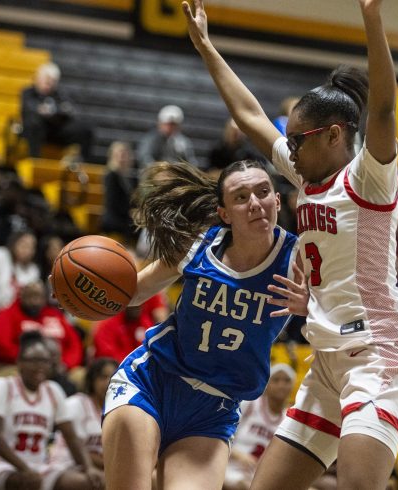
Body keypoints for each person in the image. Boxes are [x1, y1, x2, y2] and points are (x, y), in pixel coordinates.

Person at [183, 0, 398, 488]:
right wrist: (207, 47)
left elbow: (382, 106)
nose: (286, 149)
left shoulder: (369, 179)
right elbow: (249, 114)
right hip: (328, 361)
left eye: (297, 140)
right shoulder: (306, 175)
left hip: (376, 354)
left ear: (335, 135)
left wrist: (372, 20)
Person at [101, 160, 306, 490]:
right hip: (152, 381)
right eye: (240, 197)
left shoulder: (299, 258)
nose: (255, 203)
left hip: (214, 408)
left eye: (263, 192)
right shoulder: (199, 246)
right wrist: (82, 292)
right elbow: (134, 293)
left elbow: (344, 314)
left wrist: (310, 307)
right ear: (224, 213)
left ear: (277, 201)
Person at [0, 331, 103, 490]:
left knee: (88, 482)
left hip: (38, 466)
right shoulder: (2, 386)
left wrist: (89, 468)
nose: (40, 366)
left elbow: (71, 437)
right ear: (19, 362)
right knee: (29, 482)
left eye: (45, 361)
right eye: (34, 360)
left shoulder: (54, 391)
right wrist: (24, 468)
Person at [0, 281, 83, 386]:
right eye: (30, 296)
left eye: (38, 296)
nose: (34, 301)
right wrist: (33, 362)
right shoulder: (6, 315)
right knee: (14, 380)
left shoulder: (55, 316)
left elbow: (75, 345)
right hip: (12, 366)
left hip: (57, 368)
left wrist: (66, 363)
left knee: (81, 377)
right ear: (21, 295)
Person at [223, 363, 296, 490]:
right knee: (244, 486)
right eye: (276, 380)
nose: (281, 385)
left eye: (286, 381)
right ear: (266, 385)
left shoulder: (288, 419)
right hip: (230, 466)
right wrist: (239, 455)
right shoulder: (249, 405)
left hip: (257, 475)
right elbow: (222, 436)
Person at [51, 358, 119, 471]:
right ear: (92, 380)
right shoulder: (76, 404)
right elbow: (77, 449)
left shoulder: (118, 410)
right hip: (68, 465)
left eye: (113, 378)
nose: (108, 382)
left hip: (102, 468)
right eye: (103, 377)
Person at [21, 62, 94, 162]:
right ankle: (35, 160)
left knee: (86, 129)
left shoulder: (59, 94)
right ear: (38, 79)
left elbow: (69, 110)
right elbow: (31, 108)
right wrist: (47, 111)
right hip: (37, 132)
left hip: (56, 131)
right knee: (33, 123)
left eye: (52, 82)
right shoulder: (28, 92)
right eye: (47, 81)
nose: (49, 85)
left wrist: (54, 112)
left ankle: (83, 162)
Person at [136, 105, 200, 169]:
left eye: (173, 124)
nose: (170, 127)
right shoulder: (151, 139)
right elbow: (145, 158)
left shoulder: (183, 142)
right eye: (167, 124)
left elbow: (190, 162)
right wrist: (158, 169)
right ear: (160, 123)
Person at [92, 303, 156, 363]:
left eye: (139, 305)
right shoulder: (110, 324)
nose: (136, 308)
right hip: (116, 368)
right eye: (133, 305)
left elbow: (151, 349)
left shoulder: (145, 322)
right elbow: (106, 353)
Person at [100, 141, 138, 243]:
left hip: (126, 217)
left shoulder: (132, 178)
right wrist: (131, 213)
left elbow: (135, 200)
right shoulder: (111, 176)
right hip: (115, 218)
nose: (122, 158)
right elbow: (112, 203)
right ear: (112, 156)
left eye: (124, 155)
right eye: (118, 155)